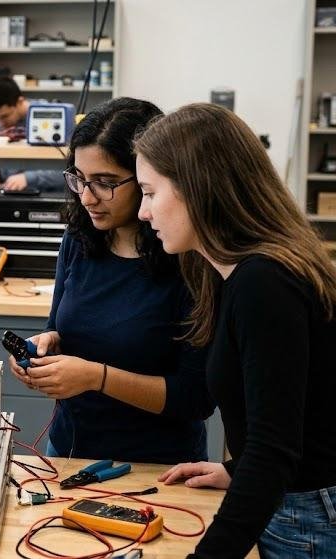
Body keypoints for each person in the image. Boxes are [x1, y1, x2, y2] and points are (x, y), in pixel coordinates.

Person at [136, 103, 336, 558]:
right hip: (295, 501)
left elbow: (273, 450)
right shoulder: (234, 274)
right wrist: (237, 468)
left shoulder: (264, 283)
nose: (144, 212)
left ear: (196, 188)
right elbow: (294, 410)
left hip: (309, 516)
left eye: (150, 192)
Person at [8, 97, 214, 464]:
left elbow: (195, 398)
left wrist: (97, 378)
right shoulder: (80, 238)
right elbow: (58, 326)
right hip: (69, 453)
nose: (88, 198)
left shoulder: (188, 257)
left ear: (148, 177)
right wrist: (46, 345)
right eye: (79, 179)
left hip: (155, 467)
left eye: (105, 183)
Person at [0, 77, 64, 193]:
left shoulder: (53, 119)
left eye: (5, 116)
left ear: (20, 102)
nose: (0, 123)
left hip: (45, 195)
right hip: (8, 194)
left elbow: (68, 172)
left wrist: (28, 178)